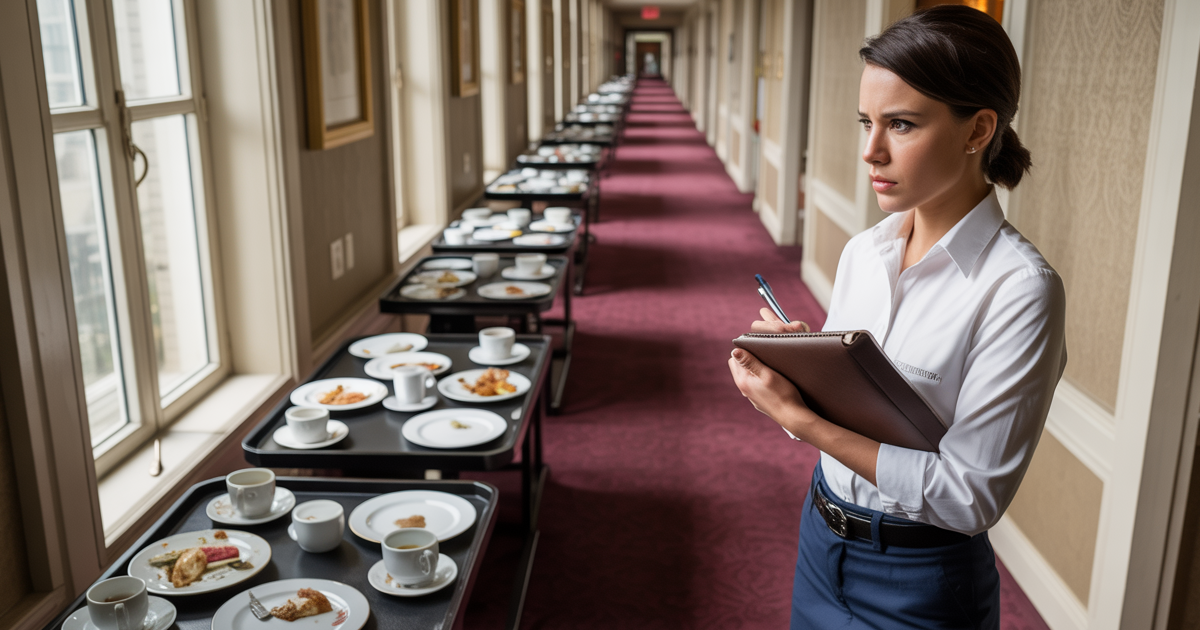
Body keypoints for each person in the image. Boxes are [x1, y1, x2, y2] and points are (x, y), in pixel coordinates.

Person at [727, 6, 1067, 629]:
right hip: (820, 535)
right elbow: (856, 417)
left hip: (921, 579)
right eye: (866, 122)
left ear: (978, 130)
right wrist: (806, 377)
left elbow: (969, 497)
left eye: (901, 125)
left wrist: (801, 420)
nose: (871, 151)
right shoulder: (866, 250)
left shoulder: (1019, 290)